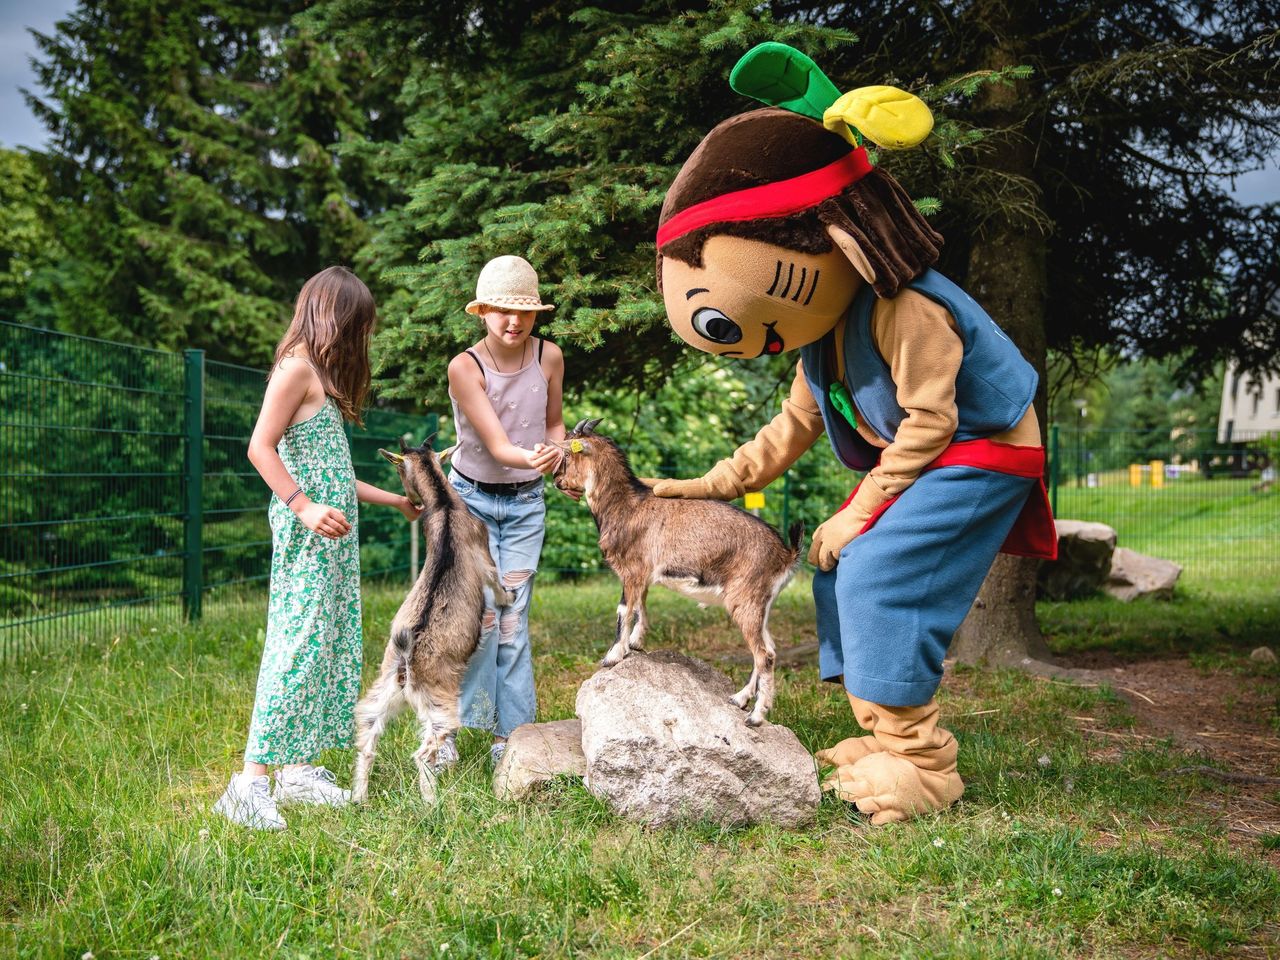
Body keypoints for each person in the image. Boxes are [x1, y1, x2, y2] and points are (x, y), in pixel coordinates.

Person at [651, 43, 1056, 824]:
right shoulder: (820, 333)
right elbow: (789, 430)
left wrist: (854, 513)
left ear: (838, 238)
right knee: (837, 573)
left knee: (872, 571)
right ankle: (879, 732)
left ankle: (923, 764)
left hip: (984, 449)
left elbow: (931, 425)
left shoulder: (909, 309)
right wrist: (698, 487)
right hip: (931, 453)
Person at [213, 266, 422, 831]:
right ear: (336, 319)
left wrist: (394, 502)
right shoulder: (295, 370)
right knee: (298, 644)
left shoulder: (319, 380)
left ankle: (299, 771)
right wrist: (302, 506)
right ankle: (250, 782)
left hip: (331, 545)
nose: (362, 341)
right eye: (359, 328)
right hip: (307, 539)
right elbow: (260, 448)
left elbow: (337, 472)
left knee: (329, 646)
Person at [445, 255, 565, 766]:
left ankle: (510, 739)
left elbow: (554, 424)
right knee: (474, 619)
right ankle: (446, 730)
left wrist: (556, 456)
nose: (513, 322)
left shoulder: (550, 357)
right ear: (482, 312)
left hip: (524, 505)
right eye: (501, 311)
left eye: (524, 312)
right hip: (469, 505)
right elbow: (497, 446)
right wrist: (537, 457)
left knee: (512, 618)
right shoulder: (464, 367)